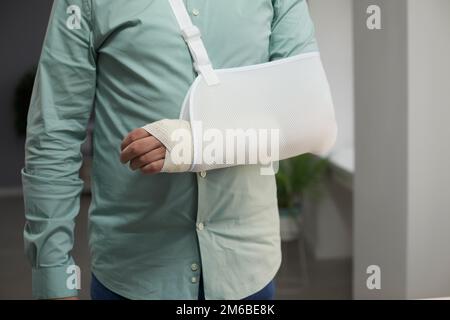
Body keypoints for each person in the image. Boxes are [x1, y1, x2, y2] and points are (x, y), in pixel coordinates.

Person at [22, 0, 318, 300]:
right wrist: (53, 276)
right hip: (133, 271)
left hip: (246, 271)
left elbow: (306, 115)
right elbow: (54, 130)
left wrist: (193, 144)